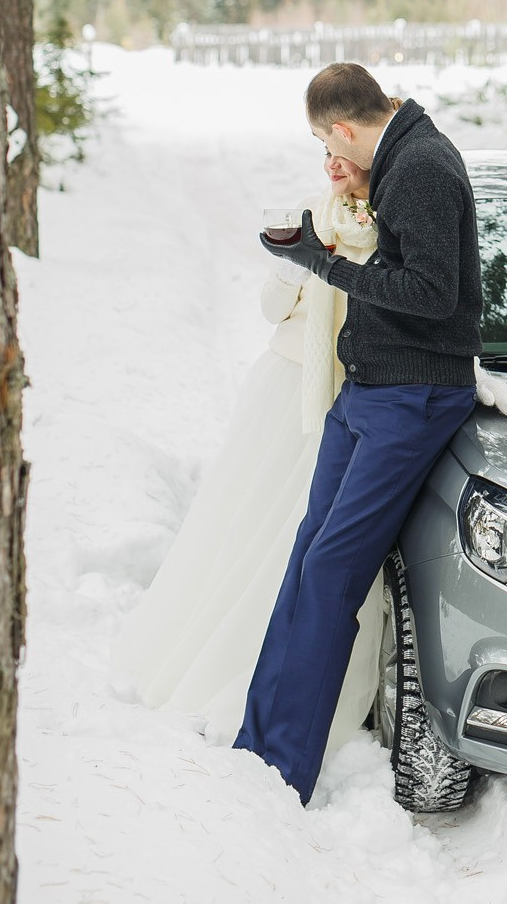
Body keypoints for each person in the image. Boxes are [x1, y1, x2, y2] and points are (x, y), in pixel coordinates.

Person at [234, 62, 502, 806]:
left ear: (344, 127)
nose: (329, 151)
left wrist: (319, 263)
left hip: (412, 397)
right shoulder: (398, 161)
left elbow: (431, 293)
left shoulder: (420, 166)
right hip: (368, 389)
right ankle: (256, 743)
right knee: (308, 556)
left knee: (333, 571)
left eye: (326, 138)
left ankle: (285, 768)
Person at [114, 152, 386, 755]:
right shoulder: (314, 213)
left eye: (344, 157)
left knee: (319, 539)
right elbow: (271, 309)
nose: (333, 168)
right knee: (255, 526)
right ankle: (225, 657)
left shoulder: (394, 220)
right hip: (292, 386)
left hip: (359, 395)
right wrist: (298, 262)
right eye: (326, 157)